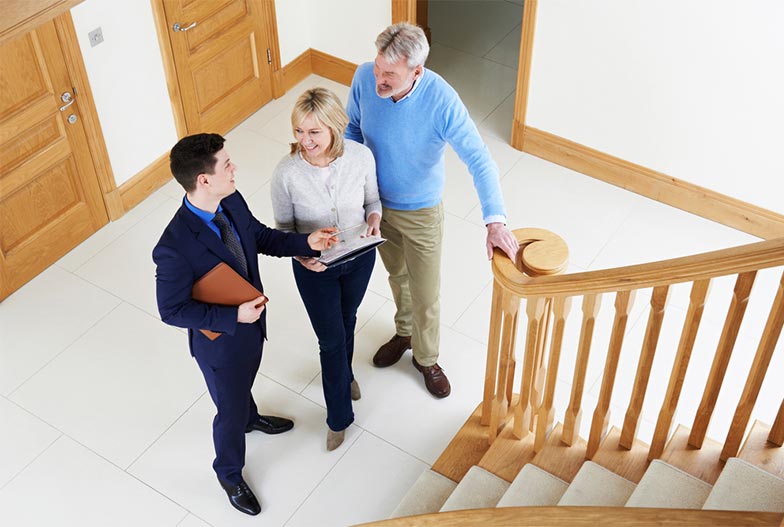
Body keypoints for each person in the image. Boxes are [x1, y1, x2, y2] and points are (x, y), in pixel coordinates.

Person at [153, 133, 337, 516]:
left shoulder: (230, 200)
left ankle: (251, 418)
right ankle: (228, 473)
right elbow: (171, 310)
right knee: (229, 410)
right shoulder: (172, 246)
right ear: (203, 180)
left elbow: (260, 238)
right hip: (220, 343)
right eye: (227, 164)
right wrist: (232, 317)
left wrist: (307, 243)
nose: (235, 167)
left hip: (252, 327)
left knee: (242, 390)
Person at [345, 22, 519, 398]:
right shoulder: (363, 78)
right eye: (378, 68)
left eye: (390, 74)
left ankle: (426, 358)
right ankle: (404, 332)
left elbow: (479, 159)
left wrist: (494, 221)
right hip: (376, 206)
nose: (379, 79)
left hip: (421, 212)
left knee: (426, 293)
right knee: (397, 276)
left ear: (417, 72)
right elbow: (352, 132)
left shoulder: (441, 100)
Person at [271, 87, 381, 451]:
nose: (305, 140)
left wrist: (375, 218)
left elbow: (372, 201)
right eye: (299, 131)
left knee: (348, 318)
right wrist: (301, 255)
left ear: (335, 127)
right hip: (314, 268)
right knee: (331, 340)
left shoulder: (361, 157)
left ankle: (346, 373)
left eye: (314, 132)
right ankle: (338, 417)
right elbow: (284, 230)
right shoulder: (286, 173)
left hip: (359, 257)